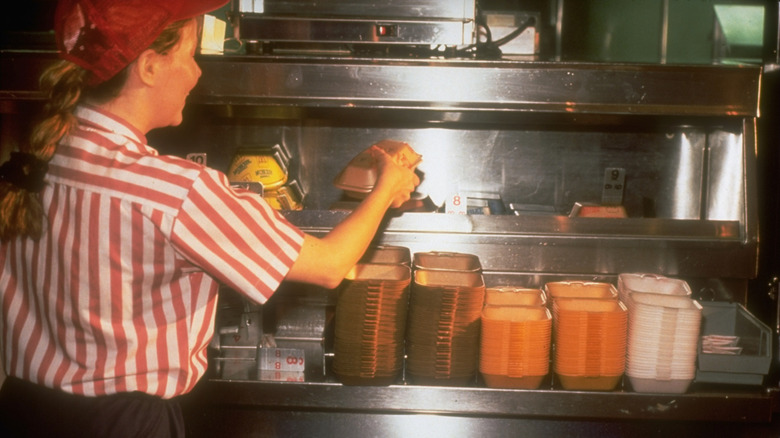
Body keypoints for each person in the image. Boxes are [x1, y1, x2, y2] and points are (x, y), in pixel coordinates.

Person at [0, 0, 420, 436]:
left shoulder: (34, 162)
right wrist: (387, 188)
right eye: (189, 55)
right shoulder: (173, 190)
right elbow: (331, 265)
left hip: (21, 411)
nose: (197, 73)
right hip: (120, 425)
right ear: (148, 66)